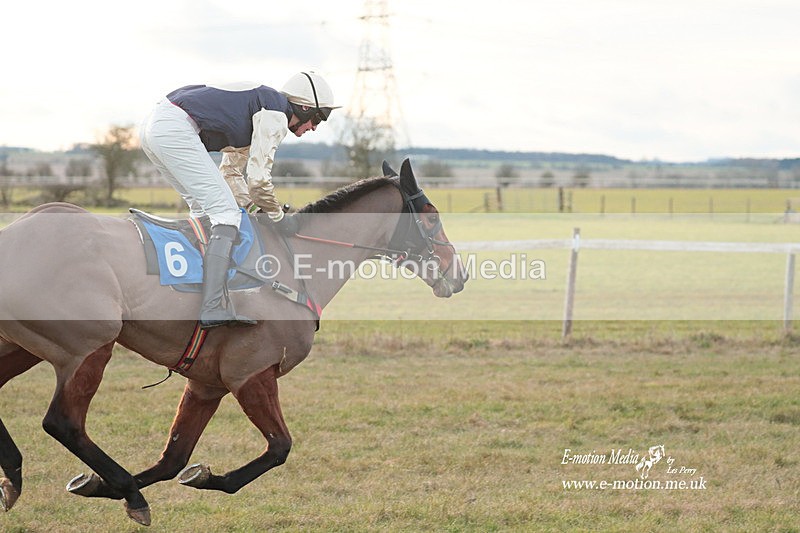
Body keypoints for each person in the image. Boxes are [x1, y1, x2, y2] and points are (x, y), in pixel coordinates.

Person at [139, 72, 340, 329]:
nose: (314, 127)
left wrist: (256, 208)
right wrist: (278, 216)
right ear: (304, 107)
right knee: (226, 215)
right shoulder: (275, 115)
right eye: (319, 118)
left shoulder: (261, 108)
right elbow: (258, 179)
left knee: (203, 210)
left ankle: (196, 291)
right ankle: (213, 306)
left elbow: (231, 173)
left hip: (155, 126)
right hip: (173, 127)